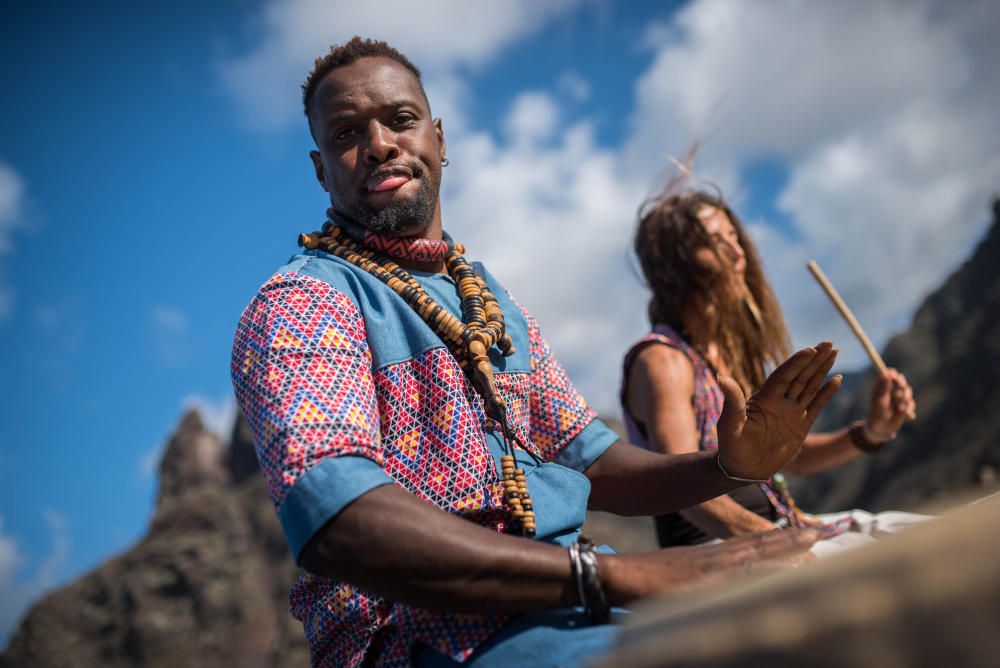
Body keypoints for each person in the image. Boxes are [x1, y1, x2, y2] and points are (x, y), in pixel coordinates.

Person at [231, 37, 841, 668]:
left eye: (401, 120)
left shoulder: (492, 302)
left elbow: (591, 462)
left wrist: (727, 467)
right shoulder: (301, 302)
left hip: (576, 603)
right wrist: (610, 577)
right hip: (419, 638)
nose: (380, 144)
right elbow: (341, 521)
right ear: (320, 168)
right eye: (347, 134)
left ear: (439, 139)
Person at [622, 188, 925, 557]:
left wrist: (871, 433)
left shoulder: (726, 356)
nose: (738, 255)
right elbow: (683, 493)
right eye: (715, 242)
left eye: (734, 237)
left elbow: (784, 455)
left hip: (784, 529)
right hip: (719, 552)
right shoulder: (664, 362)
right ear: (674, 265)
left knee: (934, 532)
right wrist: (788, 548)